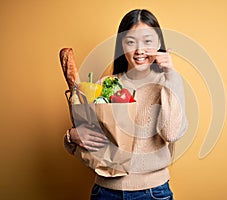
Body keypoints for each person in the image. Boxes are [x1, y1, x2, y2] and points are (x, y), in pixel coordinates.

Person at [63, 9, 188, 200]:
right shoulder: (105, 85)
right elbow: (87, 140)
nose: (139, 50)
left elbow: (171, 133)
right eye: (131, 41)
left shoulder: (168, 84)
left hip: (153, 193)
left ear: (159, 44)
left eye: (147, 41)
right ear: (122, 45)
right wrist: (72, 136)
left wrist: (171, 74)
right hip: (105, 192)